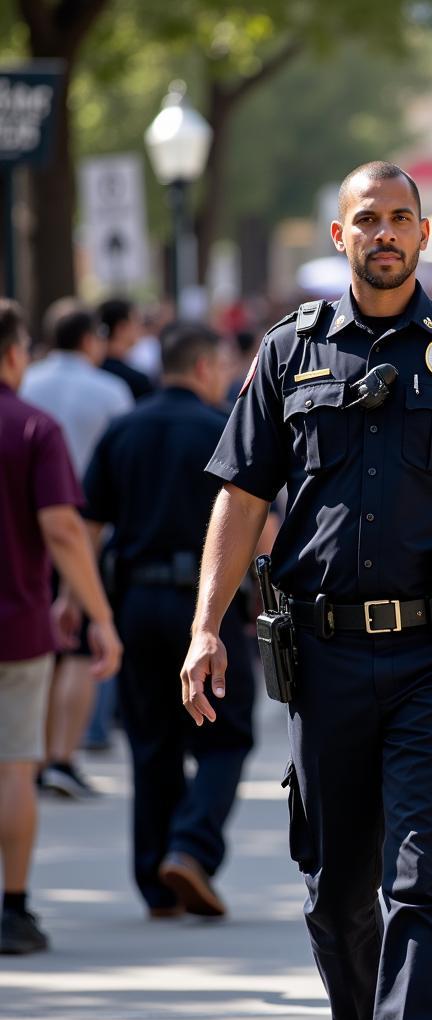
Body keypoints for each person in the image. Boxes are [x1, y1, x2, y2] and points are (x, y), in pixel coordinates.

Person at [179, 161, 432, 1020]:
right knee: (336, 896)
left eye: (400, 218)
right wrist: (207, 627)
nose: (384, 233)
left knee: (427, 884)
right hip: (325, 658)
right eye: (367, 219)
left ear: (424, 235)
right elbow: (240, 497)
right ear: (340, 235)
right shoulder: (289, 350)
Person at [82, 322, 255, 919]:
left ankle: (157, 885)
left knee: (152, 741)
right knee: (226, 735)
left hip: (135, 601)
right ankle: (190, 848)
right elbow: (259, 522)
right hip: (206, 605)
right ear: (206, 368)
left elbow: (88, 523)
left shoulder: (124, 429)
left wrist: (79, 603)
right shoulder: (220, 430)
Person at [0, 300, 121, 955]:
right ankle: (12, 909)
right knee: (15, 768)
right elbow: (63, 528)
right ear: (14, 353)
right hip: (16, 623)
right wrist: (97, 614)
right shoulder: (30, 427)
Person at [20, 299, 134, 799]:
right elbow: (123, 463)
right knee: (81, 647)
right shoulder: (109, 390)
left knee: (39, 646)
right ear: (91, 340)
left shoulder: (29, 384)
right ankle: (63, 756)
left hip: (23, 529)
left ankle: (35, 753)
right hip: (88, 527)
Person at [98, 297, 154, 401]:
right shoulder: (137, 381)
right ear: (121, 327)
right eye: (136, 321)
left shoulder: (91, 369)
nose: (140, 328)